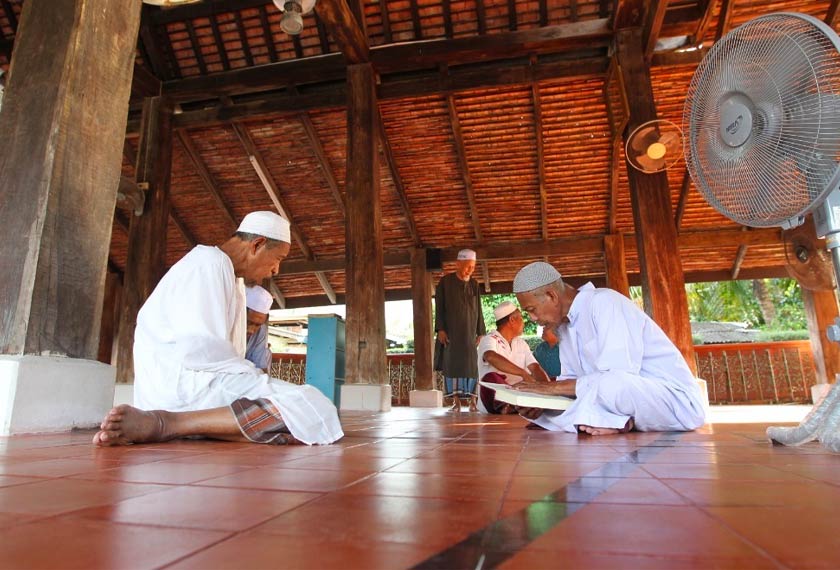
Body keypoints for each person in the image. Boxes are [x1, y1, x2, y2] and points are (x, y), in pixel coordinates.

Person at [93, 211, 343, 447]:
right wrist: (254, 377)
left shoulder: (227, 275)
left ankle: (203, 429)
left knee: (306, 419)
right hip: (184, 391)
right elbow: (201, 351)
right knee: (313, 405)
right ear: (257, 244)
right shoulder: (208, 263)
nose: (276, 270)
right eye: (278, 259)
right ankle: (165, 424)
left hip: (195, 389)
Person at [511, 261, 706, 436]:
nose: (532, 319)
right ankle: (610, 421)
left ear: (551, 296)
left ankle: (603, 420)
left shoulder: (604, 302)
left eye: (531, 310)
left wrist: (549, 387)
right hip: (617, 398)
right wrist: (541, 403)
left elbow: (618, 376)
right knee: (554, 409)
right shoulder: (563, 328)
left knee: (612, 383)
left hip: (676, 403)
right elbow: (571, 384)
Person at [477, 301, 551, 414]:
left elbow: (535, 368)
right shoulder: (489, 339)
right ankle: (507, 405)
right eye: (521, 318)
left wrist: (548, 389)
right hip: (495, 400)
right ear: (512, 320)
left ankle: (518, 406)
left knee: (553, 380)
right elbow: (490, 356)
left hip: (519, 394)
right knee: (490, 378)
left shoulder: (521, 343)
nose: (524, 322)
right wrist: (523, 373)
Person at [435, 248, 486, 412]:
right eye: (467, 266)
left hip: (470, 333)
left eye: (473, 267)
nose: (470, 270)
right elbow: (440, 307)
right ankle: (455, 402)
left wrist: (481, 331)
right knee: (452, 365)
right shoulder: (445, 282)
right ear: (458, 264)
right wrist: (441, 329)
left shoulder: (474, 284)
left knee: (472, 366)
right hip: (451, 333)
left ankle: (473, 402)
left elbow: (479, 308)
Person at [245, 285, 273, 373]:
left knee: (267, 353)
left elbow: (261, 367)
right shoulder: (225, 326)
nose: (251, 330)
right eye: (248, 322)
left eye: (257, 325)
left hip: (246, 376)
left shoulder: (261, 330)